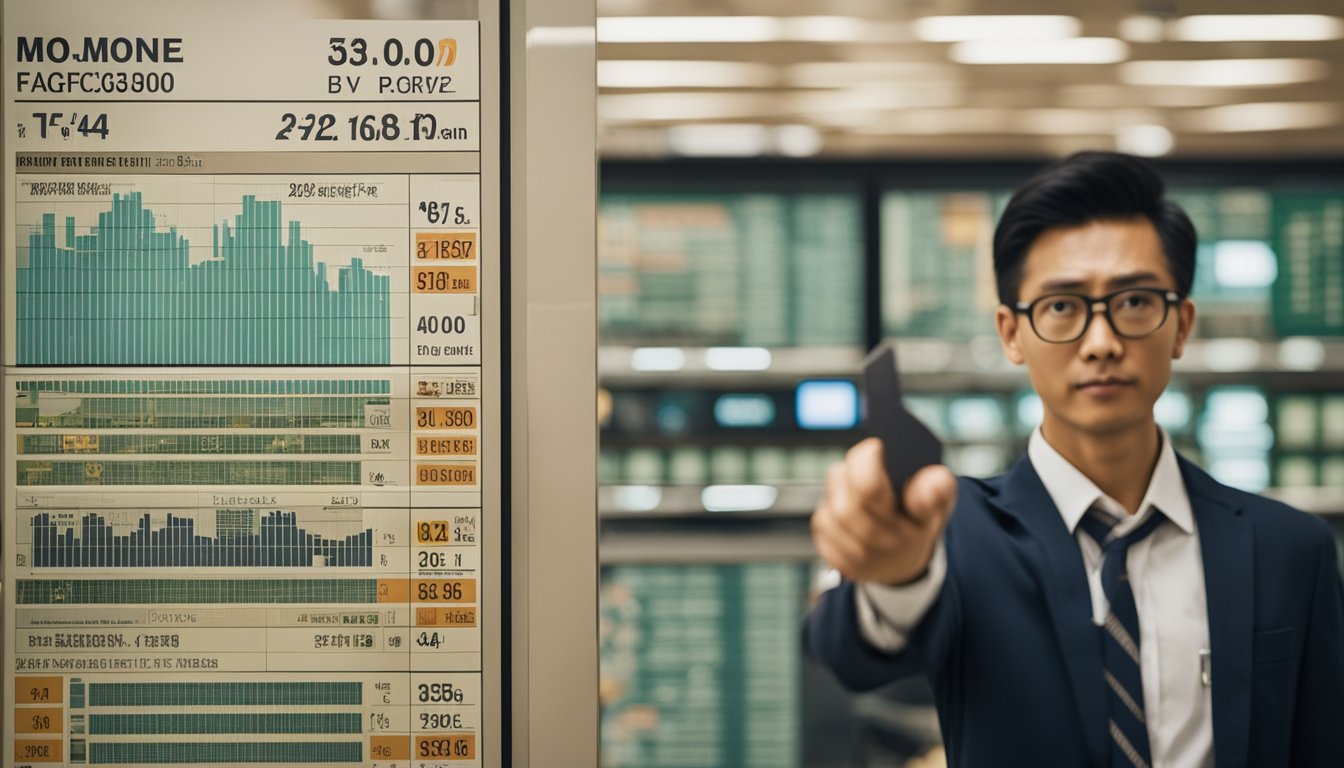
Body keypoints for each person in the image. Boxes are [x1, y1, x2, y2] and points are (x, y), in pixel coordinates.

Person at [804, 151, 1344, 768]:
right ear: (1011, 333)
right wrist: (894, 575)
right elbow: (847, 653)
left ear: (1182, 325)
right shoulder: (953, 534)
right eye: (1062, 307)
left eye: (1135, 302)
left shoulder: (1288, 549)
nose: (1101, 342)